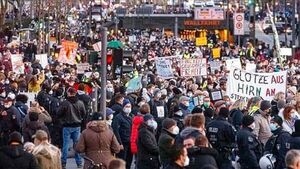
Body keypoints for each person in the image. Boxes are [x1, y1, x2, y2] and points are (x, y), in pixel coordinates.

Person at [57, 87, 86, 168]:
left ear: (68, 93)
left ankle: (63, 162)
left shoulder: (65, 103)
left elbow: (59, 113)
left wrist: (62, 120)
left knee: (65, 145)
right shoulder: (80, 103)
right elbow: (84, 113)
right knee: (76, 144)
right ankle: (79, 162)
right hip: (77, 125)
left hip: (66, 126)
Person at [112, 99, 133, 169]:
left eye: (129, 106)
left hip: (130, 142)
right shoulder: (118, 117)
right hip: (123, 142)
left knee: (129, 160)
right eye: (127, 106)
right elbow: (115, 131)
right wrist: (119, 143)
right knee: (122, 160)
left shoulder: (132, 116)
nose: (128, 108)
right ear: (123, 107)